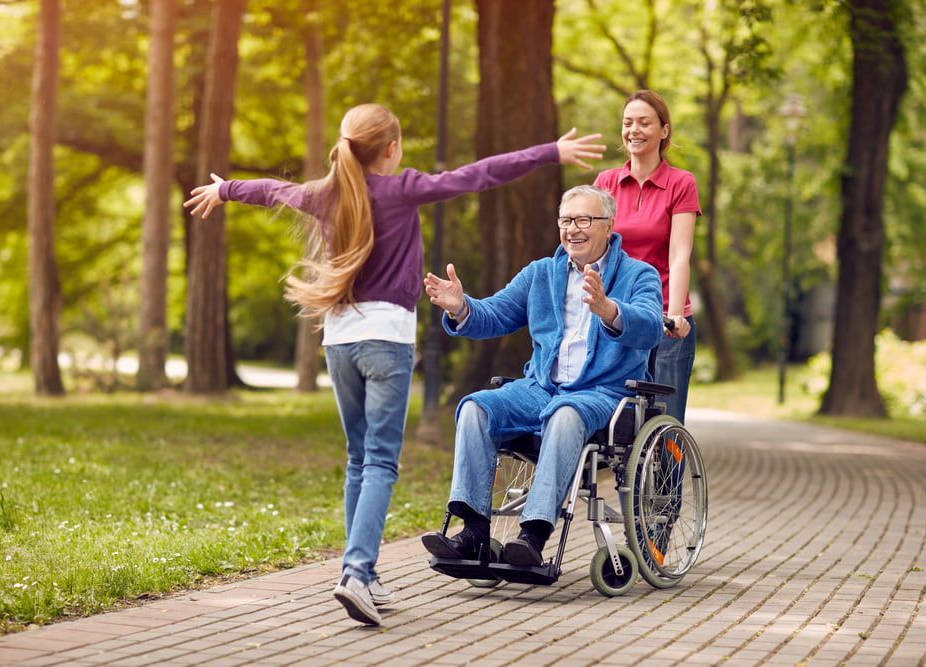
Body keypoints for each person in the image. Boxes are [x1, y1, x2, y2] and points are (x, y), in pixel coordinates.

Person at [183, 103, 606, 626]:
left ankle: (366, 574)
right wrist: (552, 152)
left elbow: (273, 190)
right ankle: (357, 574)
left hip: (339, 342)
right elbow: (476, 176)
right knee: (380, 461)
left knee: (358, 459)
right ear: (391, 148)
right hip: (385, 342)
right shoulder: (401, 188)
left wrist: (226, 189)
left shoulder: (326, 192)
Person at [420, 185, 663, 567]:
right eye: (566, 220)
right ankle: (473, 532)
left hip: (601, 393)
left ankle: (532, 537)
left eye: (584, 220)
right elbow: (495, 315)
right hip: (540, 388)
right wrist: (461, 308)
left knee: (565, 413)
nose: (573, 229)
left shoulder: (638, 275)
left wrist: (608, 309)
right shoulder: (541, 274)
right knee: (475, 409)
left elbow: (651, 328)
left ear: (608, 226)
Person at [593, 90, 701, 425]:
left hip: (666, 317)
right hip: (618, 315)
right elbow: (593, 252)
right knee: (612, 420)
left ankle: (668, 479)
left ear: (664, 130)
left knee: (665, 420)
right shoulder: (606, 182)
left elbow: (680, 254)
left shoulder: (681, 183)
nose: (634, 130)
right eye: (628, 123)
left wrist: (673, 315)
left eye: (644, 122)